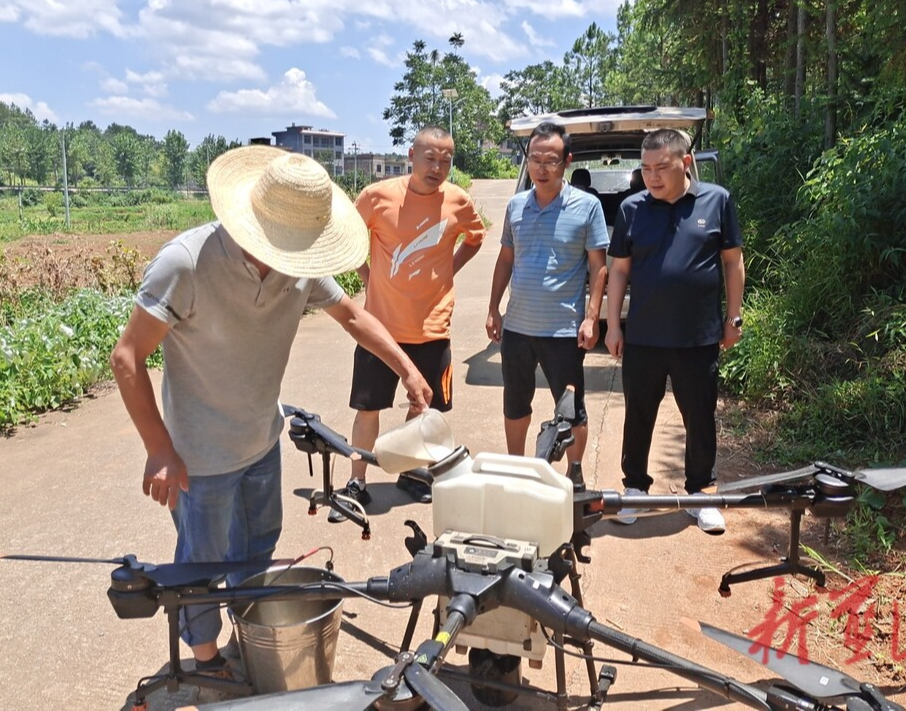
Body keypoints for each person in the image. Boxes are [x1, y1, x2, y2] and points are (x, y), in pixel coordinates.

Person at [110, 146, 432, 676]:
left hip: (261, 438)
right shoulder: (186, 263)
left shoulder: (299, 263)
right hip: (201, 457)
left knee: (258, 548)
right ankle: (207, 661)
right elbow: (127, 357)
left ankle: (249, 636)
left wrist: (406, 369)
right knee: (202, 564)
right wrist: (159, 449)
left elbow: (352, 316)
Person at [330, 126, 485, 521]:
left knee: (424, 404)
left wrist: (450, 269)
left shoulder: (458, 200)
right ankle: (357, 482)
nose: (438, 167)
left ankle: (411, 472)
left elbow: (475, 237)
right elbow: (344, 237)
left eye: (447, 160)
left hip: (433, 326)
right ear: (412, 155)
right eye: (430, 158)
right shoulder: (378, 196)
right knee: (368, 408)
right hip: (380, 327)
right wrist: (367, 276)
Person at [604, 128, 744, 534]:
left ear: (685, 163)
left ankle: (702, 493)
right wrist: (613, 325)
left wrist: (733, 318)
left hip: (698, 335)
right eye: (646, 169)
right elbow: (619, 271)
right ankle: (635, 489)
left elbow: (733, 263)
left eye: (661, 167)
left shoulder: (716, 201)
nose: (652, 176)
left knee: (699, 417)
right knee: (638, 415)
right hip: (644, 336)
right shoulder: (632, 209)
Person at [486, 121, 608, 487]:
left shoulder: (588, 207)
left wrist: (592, 319)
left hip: (563, 331)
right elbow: (506, 259)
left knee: (571, 408)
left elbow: (599, 267)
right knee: (515, 403)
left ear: (566, 162)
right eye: (535, 159)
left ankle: (574, 473)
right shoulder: (516, 205)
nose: (541, 167)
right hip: (518, 328)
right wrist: (494, 308)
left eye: (550, 160)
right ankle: (518, 469)